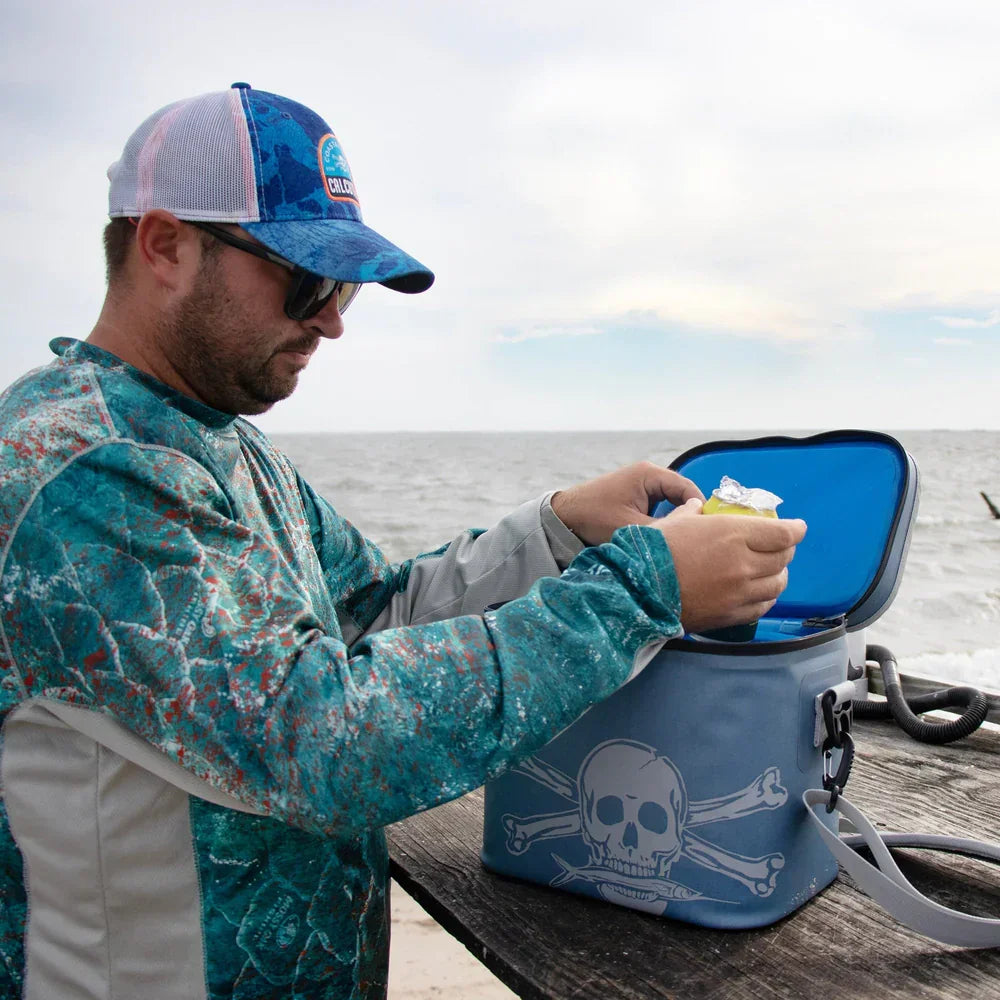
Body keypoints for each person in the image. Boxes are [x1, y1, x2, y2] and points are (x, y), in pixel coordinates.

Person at [0, 84, 806, 999]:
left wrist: (556, 531)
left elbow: (375, 611)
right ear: (164, 246)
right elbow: (324, 739)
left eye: (345, 289)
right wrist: (640, 590)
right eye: (307, 280)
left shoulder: (219, 442)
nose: (334, 319)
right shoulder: (77, 472)